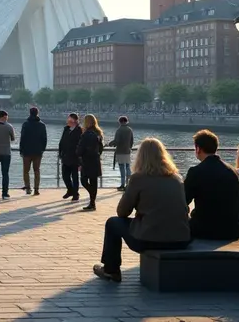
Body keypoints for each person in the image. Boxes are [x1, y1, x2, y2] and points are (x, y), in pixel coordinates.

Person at [92, 138, 191, 283]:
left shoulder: (138, 178)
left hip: (149, 240)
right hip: (181, 239)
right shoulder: (176, 178)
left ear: (140, 156)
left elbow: (122, 212)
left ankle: (111, 270)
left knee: (112, 223)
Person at [183, 130, 239, 240]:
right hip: (232, 231)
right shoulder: (233, 172)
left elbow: (182, 201)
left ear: (198, 149)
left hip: (204, 230)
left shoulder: (195, 172)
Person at [77, 114, 104, 211]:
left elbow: (80, 148)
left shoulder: (86, 134)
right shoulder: (98, 133)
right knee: (94, 182)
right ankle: (92, 203)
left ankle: (92, 197)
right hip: (95, 160)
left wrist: (79, 155)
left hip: (86, 161)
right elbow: (101, 148)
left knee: (84, 180)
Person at [19, 107, 47, 195]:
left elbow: (22, 138)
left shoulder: (25, 124)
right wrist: (42, 149)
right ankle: (36, 189)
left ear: (29, 113)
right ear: (37, 113)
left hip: (26, 151)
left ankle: (28, 188)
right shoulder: (42, 125)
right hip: (38, 151)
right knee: (37, 170)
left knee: (26, 171)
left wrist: (21, 150)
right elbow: (44, 139)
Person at [58, 114, 83, 201]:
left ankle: (75, 193)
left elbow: (80, 144)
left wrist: (80, 160)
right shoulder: (66, 129)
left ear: (74, 120)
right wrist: (60, 153)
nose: (67, 121)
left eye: (69, 119)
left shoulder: (79, 130)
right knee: (65, 176)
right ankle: (70, 190)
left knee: (75, 177)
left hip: (75, 157)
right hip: (65, 156)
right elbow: (62, 141)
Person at [109, 116, 134, 191]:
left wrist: (110, 144)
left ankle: (122, 185)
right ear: (127, 121)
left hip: (120, 152)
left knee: (122, 168)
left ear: (119, 122)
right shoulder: (130, 130)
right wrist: (129, 147)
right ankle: (129, 184)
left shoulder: (119, 130)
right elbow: (132, 141)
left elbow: (116, 141)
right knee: (128, 167)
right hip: (127, 151)